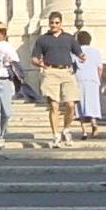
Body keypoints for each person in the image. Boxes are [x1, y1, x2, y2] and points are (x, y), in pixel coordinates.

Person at [32, 11, 82, 148]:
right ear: (49, 23)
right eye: (52, 23)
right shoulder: (42, 39)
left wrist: (82, 56)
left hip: (67, 71)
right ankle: (56, 135)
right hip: (51, 72)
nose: (54, 25)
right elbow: (34, 58)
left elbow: (78, 51)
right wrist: (40, 64)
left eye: (56, 23)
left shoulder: (69, 38)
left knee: (70, 104)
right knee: (54, 105)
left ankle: (66, 129)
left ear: (61, 23)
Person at [73, 29, 103, 138]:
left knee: (80, 104)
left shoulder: (75, 52)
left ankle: (84, 131)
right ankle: (94, 124)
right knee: (93, 103)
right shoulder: (96, 52)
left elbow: (72, 66)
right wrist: (98, 79)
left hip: (80, 79)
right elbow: (100, 68)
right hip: (93, 79)